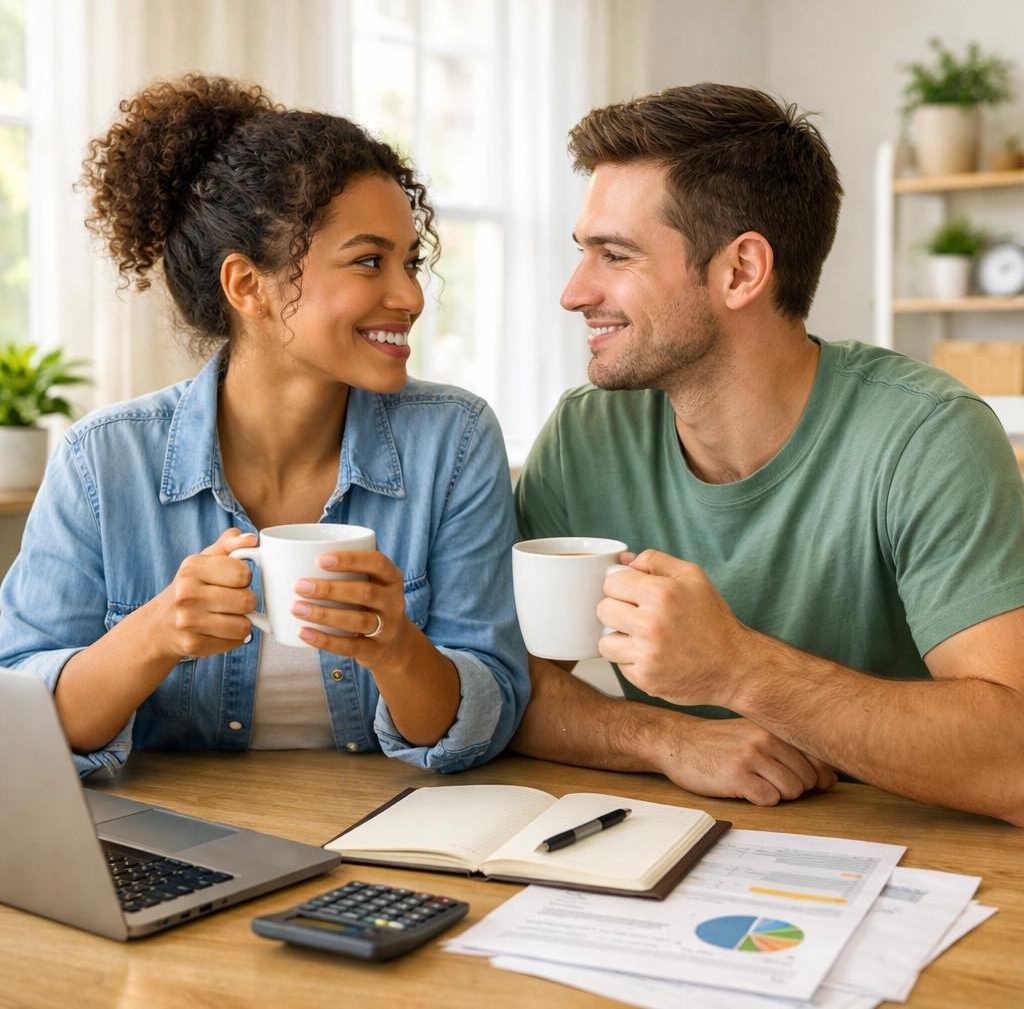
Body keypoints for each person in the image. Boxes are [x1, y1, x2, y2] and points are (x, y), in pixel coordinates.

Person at [512, 83, 1024, 826]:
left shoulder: (930, 439)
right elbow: (509, 686)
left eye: (613, 254)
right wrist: (668, 739)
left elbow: (1012, 757)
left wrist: (739, 669)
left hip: (912, 858)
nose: (573, 292)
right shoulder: (586, 436)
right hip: (678, 845)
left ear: (741, 271)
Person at [0, 75, 528, 778]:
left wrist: (395, 647)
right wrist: (157, 634)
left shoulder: (453, 441)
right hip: (175, 842)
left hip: (388, 834)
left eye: (411, 262)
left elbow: (483, 718)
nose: (409, 297)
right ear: (248, 286)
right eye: (369, 261)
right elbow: (22, 724)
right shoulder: (104, 461)